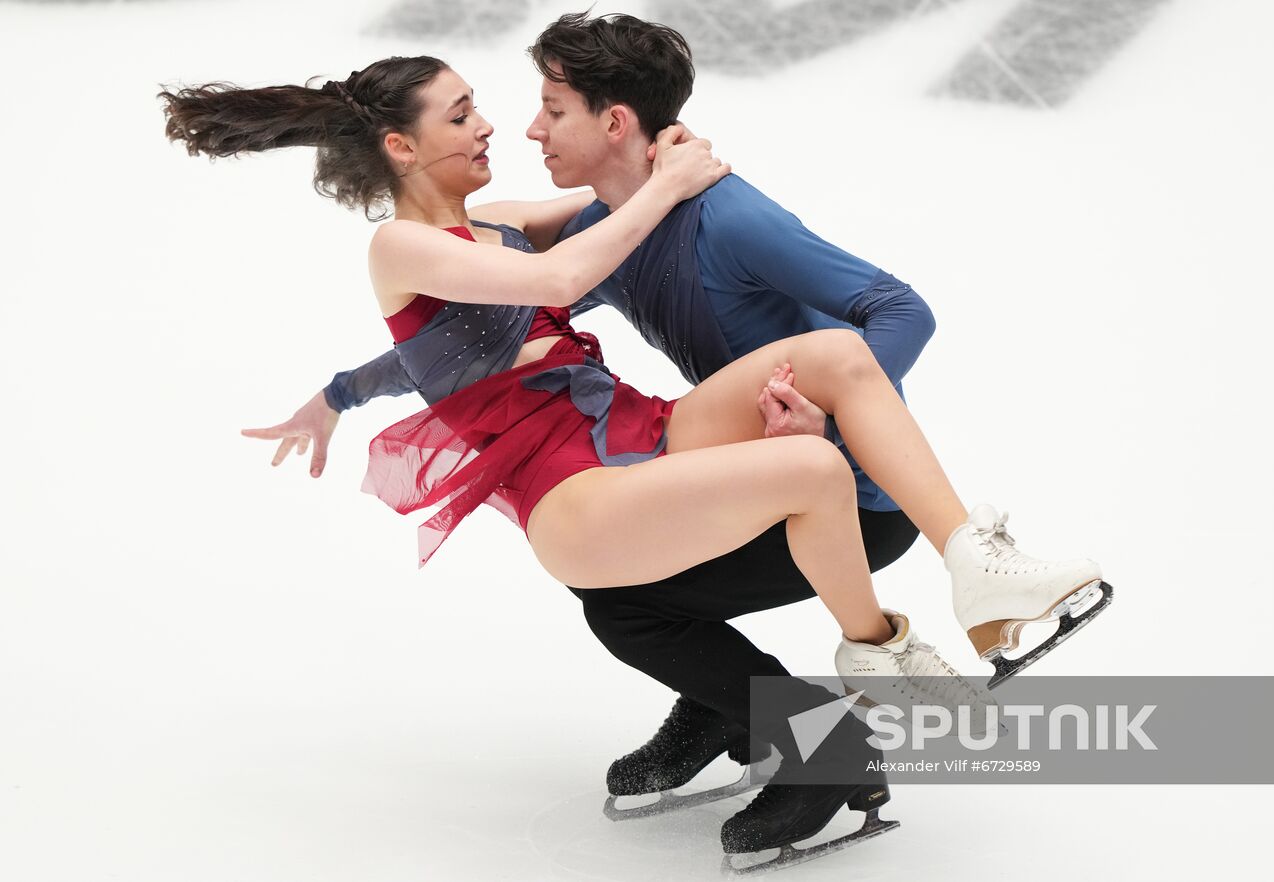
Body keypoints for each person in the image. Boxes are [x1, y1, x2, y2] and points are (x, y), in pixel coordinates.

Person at [165, 16, 1109, 866]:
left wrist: (338, 393)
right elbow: (553, 280)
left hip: (637, 431)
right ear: (403, 147)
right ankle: (868, 669)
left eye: (528, 107)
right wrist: (668, 180)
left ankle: (970, 569)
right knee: (758, 505)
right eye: (465, 116)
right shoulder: (411, 244)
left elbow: (496, 305)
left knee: (823, 365)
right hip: (566, 482)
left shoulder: (515, 227)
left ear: (611, 119)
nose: (501, 127)